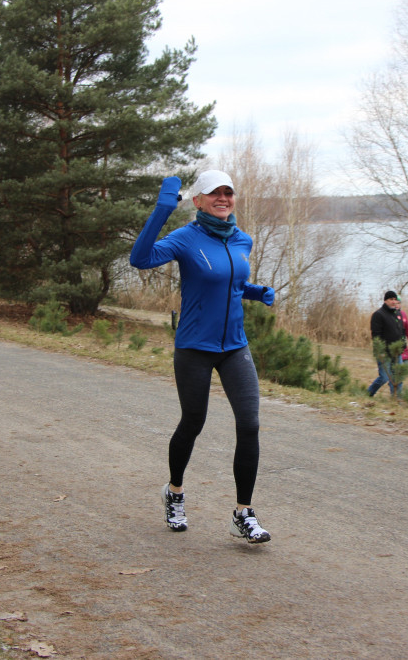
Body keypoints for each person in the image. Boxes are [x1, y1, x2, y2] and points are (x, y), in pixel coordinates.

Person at [129, 170, 275, 544]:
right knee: (193, 422)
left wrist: (256, 292)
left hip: (234, 346)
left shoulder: (243, 240)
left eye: (228, 192)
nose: (222, 198)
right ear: (198, 200)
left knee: (250, 424)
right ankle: (174, 493)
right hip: (194, 345)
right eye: (214, 193)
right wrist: (162, 210)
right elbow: (140, 259)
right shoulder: (185, 238)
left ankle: (243, 513)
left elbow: (233, 283)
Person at [368, 290, 407, 397]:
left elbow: (401, 332)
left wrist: (403, 346)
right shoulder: (378, 315)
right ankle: (368, 393)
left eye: (395, 299)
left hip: (397, 352)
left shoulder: (397, 314)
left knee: (398, 377)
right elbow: (376, 335)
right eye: (391, 299)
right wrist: (380, 351)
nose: (394, 302)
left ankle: (396, 399)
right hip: (384, 352)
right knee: (384, 377)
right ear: (385, 300)